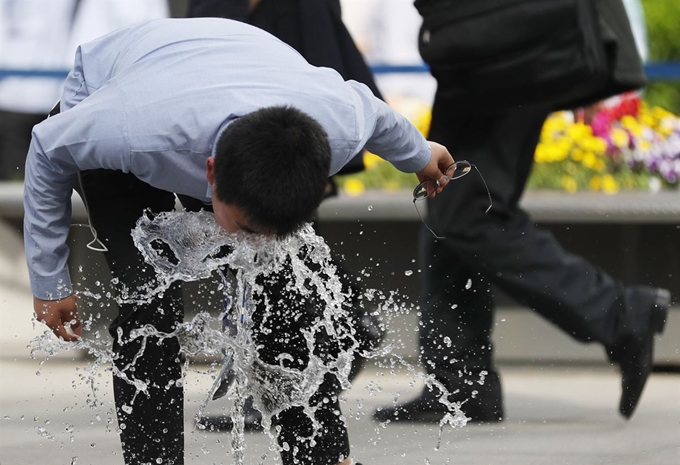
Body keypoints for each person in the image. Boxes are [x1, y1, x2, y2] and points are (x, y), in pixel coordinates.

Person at [24, 18, 454, 465]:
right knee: (149, 306)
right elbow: (47, 148)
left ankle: (321, 457)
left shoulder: (338, 125)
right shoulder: (128, 131)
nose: (254, 245)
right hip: (118, 83)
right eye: (248, 229)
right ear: (210, 174)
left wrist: (420, 155)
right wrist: (50, 278)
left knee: (285, 300)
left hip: (240, 68)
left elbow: (378, 114)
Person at [373, 0, 671, 425]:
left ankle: (619, 313)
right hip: (493, 35)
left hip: (502, 35)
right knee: (449, 195)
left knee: (465, 210)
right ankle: (460, 383)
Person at [185, 0, 386, 433]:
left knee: (264, 231)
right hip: (260, 42)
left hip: (269, 41)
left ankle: (325, 340)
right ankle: (311, 350)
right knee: (259, 232)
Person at [0, 0, 168, 181]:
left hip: (95, 103)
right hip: (20, 96)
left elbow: (155, 36)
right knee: (18, 184)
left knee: (84, 183)